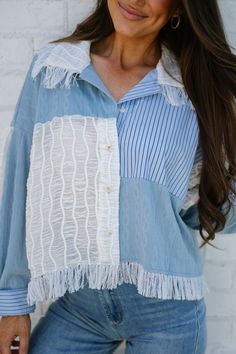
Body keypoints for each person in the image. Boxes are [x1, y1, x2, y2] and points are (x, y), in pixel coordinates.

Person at [0, 0, 236, 353]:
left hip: (169, 312)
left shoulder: (191, 91)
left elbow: (201, 211)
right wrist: (13, 302)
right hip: (78, 308)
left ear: (177, 9)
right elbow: (20, 184)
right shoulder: (53, 71)